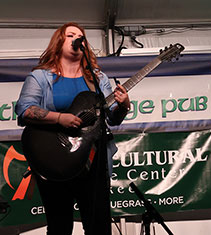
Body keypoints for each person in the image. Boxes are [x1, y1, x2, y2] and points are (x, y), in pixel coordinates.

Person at [15, 22, 130, 235]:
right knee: (60, 226)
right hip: (54, 158)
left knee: (99, 226)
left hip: (93, 161)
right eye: (70, 35)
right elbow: (24, 110)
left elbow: (112, 118)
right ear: (59, 42)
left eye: (81, 36)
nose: (77, 38)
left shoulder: (98, 78)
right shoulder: (40, 77)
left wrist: (123, 106)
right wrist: (59, 118)